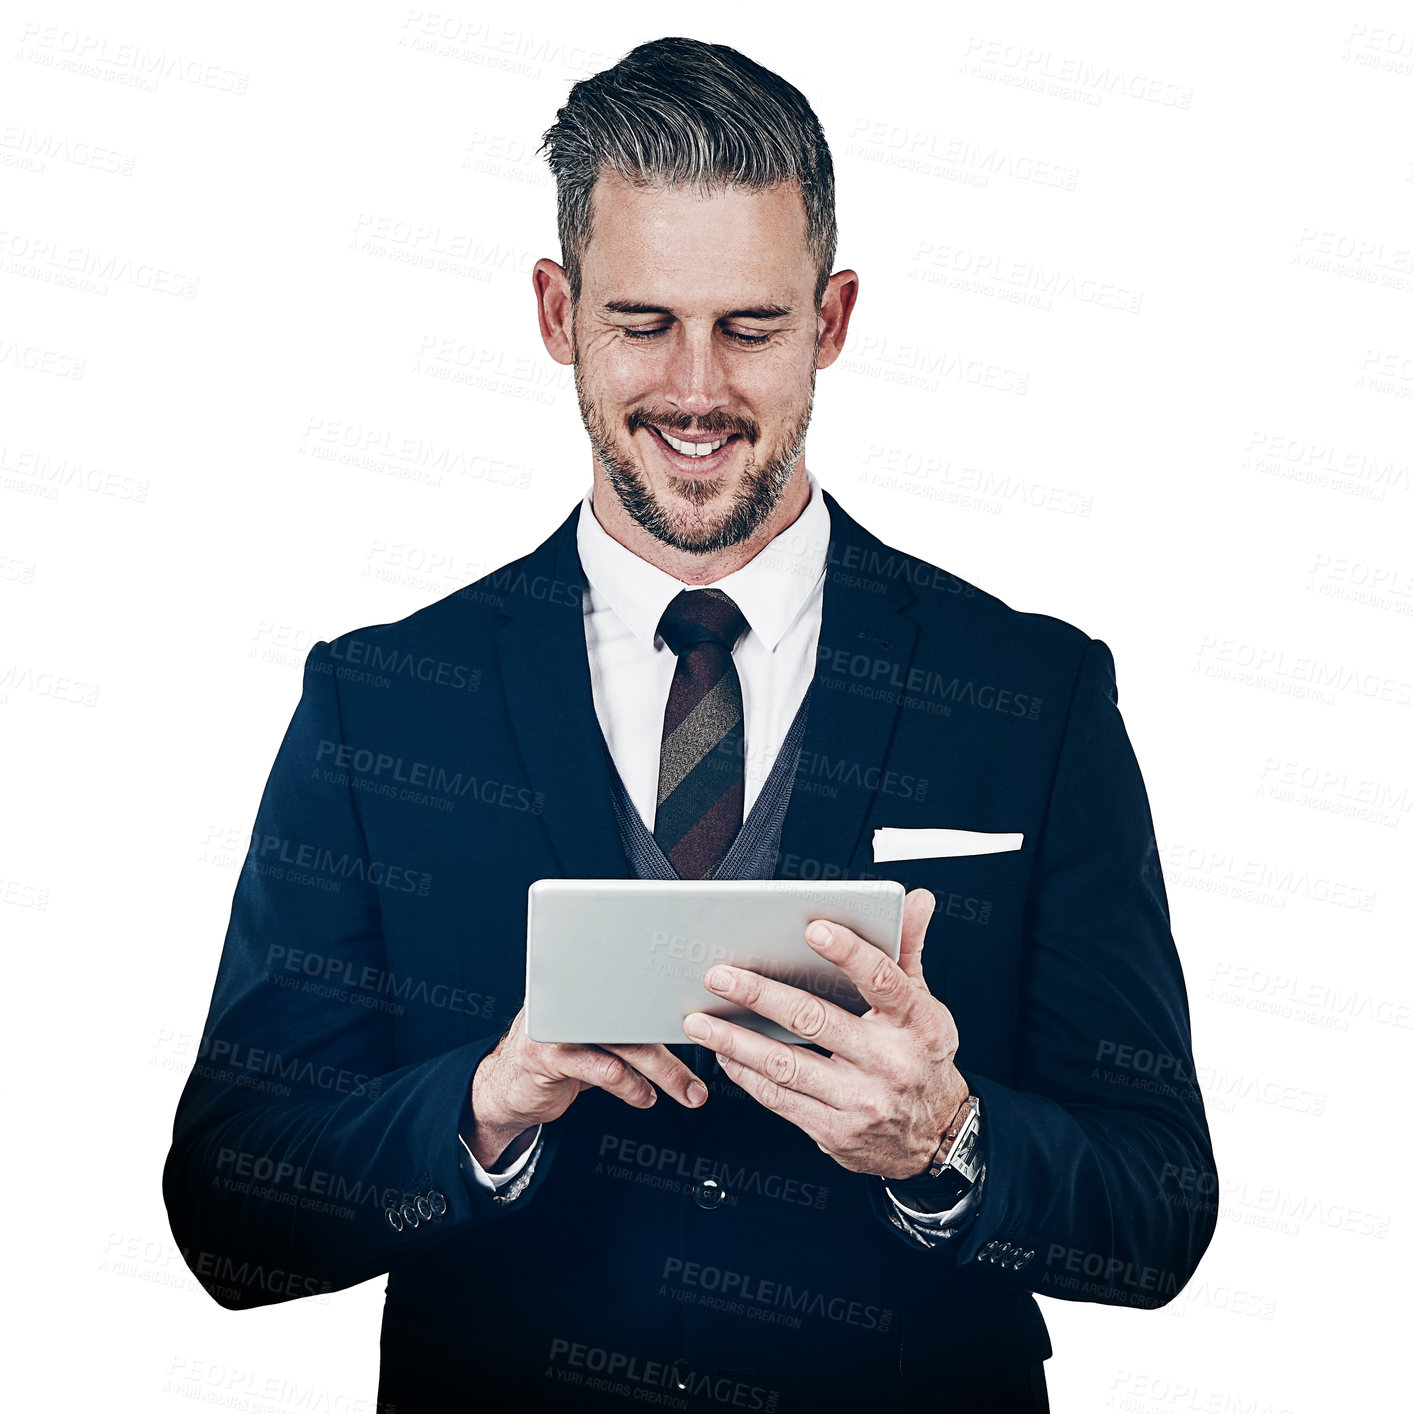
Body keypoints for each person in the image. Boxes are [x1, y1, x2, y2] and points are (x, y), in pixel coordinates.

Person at [164, 36, 1217, 1414]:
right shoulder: (377, 699)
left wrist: (944, 1141)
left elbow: (1157, 1205)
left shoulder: (1032, 693)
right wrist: (482, 1105)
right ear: (557, 311)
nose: (698, 392)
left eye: (752, 327)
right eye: (643, 321)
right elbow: (231, 1213)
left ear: (832, 321)